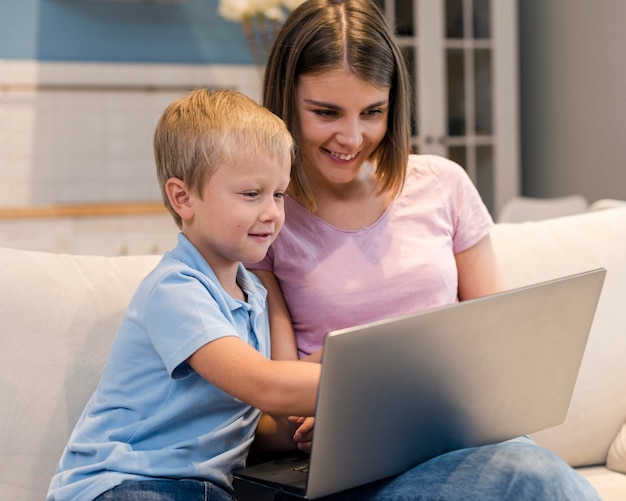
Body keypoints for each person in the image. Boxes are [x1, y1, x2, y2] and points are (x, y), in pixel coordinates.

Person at [245, 0, 602, 498]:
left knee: (526, 469)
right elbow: (272, 410)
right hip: (361, 470)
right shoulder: (267, 221)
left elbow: (501, 348)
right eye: (326, 113)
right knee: (528, 475)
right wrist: (321, 411)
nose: (352, 137)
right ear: (286, 100)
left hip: (470, 445)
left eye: (373, 112)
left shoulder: (443, 184)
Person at [46, 89, 321, 501]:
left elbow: (245, 420)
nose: (272, 212)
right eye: (251, 194)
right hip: (124, 482)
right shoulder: (176, 289)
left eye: (278, 194)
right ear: (183, 198)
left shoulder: (253, 296)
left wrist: (303, 428)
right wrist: (372, 382)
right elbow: (265, 386)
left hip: (204, 490)